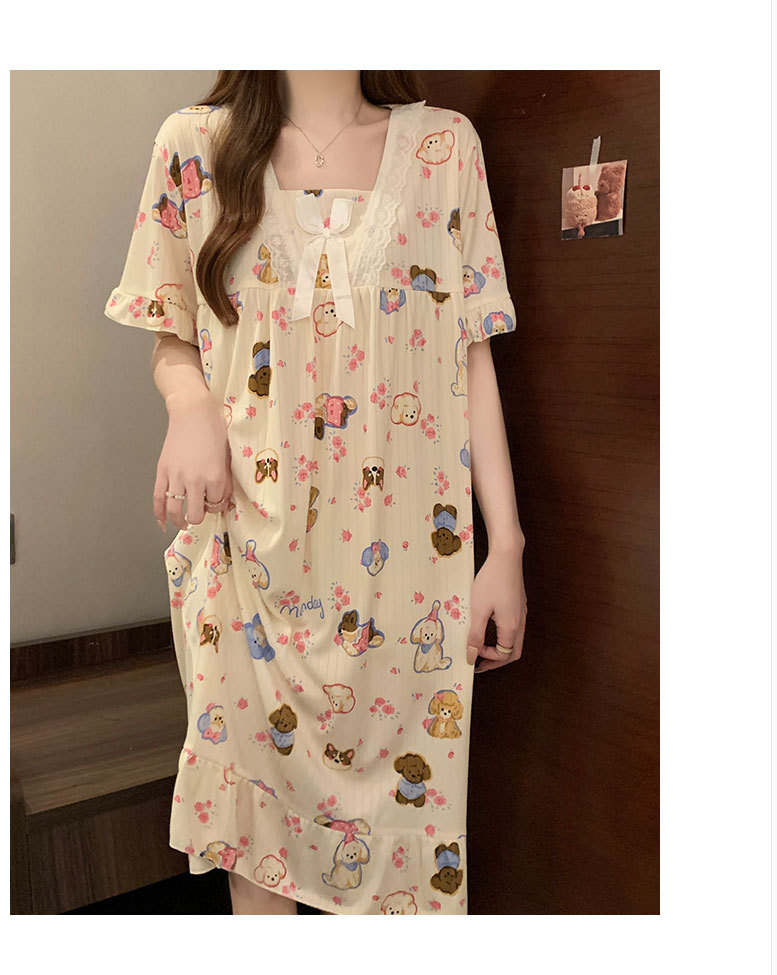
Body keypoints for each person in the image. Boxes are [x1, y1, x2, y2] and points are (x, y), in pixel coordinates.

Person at [103, 69, 527, 916]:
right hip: (243, 559)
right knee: (255, 845)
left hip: (407, 575)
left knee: (402, 860)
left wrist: (505, 545)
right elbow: (171, 330)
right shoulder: (193, 145)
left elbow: (471, 353)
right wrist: (189, 405)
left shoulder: (445, 147)